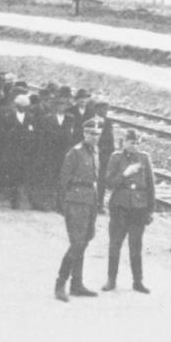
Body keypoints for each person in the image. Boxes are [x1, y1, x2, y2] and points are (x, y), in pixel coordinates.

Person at [55, 118, 102, 302]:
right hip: (75, 201)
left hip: (90, 200)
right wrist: (62, 204)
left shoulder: (94, 152)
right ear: (84, 134)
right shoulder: (75, 153)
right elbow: (63, 179)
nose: (94, 137)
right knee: (77, 243)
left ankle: (77, 284)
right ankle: (60, 284)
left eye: (97, 134)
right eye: (91, 133)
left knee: (85, 240)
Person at [102, 129, 155, 293]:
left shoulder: (144, 158)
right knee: (115, 244)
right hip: (120, 207)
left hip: (139, 208)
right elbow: (109, 183)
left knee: (136, 246)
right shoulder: (116, 157)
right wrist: (125, 173)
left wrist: (150, 210)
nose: (135, 145)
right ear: (124, 142)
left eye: (137, 142)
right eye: (131, 142)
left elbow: (150, 186)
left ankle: (138, 281)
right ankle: (111, 280)